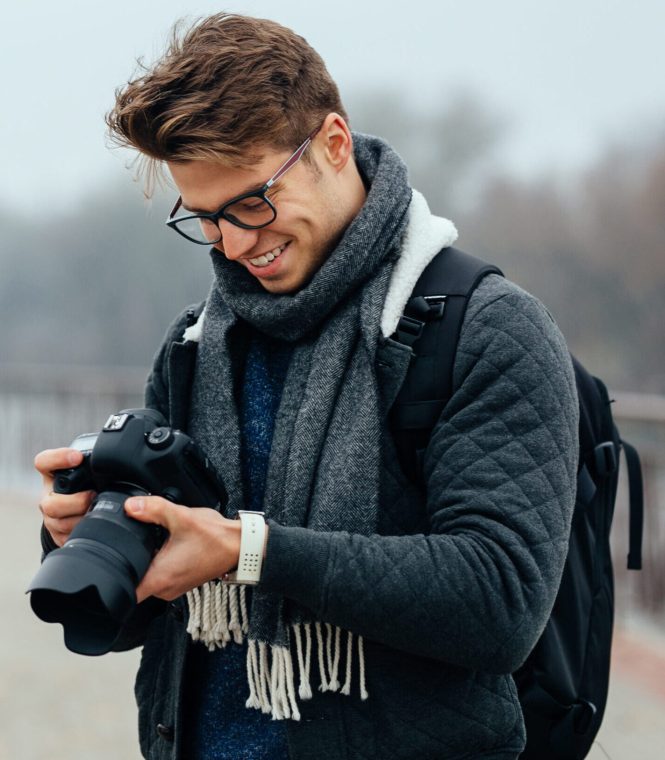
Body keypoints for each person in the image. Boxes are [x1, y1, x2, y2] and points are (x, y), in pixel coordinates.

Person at [34, 12, 579, 760]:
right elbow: (148, 619)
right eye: (206, 219)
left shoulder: (487, 331)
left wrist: (250, 550)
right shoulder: (197, 344)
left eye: (252, 203)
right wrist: (85, 535)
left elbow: (500, 602)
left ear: (332, 143)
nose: (233, 244)